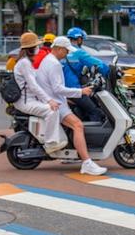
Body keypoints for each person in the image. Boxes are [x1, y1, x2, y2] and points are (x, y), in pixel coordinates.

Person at [39, 36, 107, 176]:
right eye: (65, 50)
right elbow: (58, 88)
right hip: (55, 102)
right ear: (58, 49)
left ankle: (74, 155)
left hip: (54, 99)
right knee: (78, 125)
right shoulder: (55, 64)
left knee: (77, 119)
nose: (67, 54)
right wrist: (80, 91)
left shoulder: (48, 60)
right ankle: (87, 163)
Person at [11, 32, 66, 153]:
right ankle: (50, 143)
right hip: (26, 102)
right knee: (52, 110)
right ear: (31, 48)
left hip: (30, 99)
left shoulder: (25, 62)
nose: (38, 48)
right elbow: (34, 86)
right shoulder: (25, 63)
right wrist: (49, 100)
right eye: (37, 46)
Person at [59, 28, 107, 122]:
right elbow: (97, 64)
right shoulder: (78, 52)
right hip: (73, 90)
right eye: (82, 39)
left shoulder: (61, 53)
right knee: (95, 111)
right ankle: (93, 135)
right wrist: (109, 71)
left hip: (61, 89)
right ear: (79, 39)